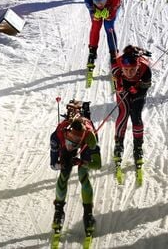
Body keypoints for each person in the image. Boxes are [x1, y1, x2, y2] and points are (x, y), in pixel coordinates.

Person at [49, 100, 102, 236]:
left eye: (74, 143)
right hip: (75, 145)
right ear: (66, 132)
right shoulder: (57, 135)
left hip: (84, 146)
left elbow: (98, 165)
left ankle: (88, 215)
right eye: (69, 140)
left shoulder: (90, 138)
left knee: (83, 176)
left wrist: (82, 163)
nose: (70, 145)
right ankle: (58, 212)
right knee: (64, 174)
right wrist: (63, 164)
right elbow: (53, 165)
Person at [110, 45, 152, 174]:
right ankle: (118, 144)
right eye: (126, 70)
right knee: (123, 114)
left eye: (132, 70)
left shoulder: (145, 68)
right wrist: (120, 88)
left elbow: (145, 87)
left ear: (137, 66)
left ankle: (138, 147)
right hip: (124, 88)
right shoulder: (116, 67)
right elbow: (116, 85)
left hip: (138, 89)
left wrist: (138, 90)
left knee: (136, 116)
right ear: (122, 67)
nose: (129, 73)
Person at [83, 0, 122, 81]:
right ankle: (92, 51)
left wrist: (109, 14)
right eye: (97, 1)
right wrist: (94, 12)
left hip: (111, 6)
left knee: (109, 26)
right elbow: (91, 8)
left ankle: (113, 54)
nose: (100, 4)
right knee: (96, 25)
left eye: (102, 1)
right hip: (97, 10)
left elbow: (115, 8)